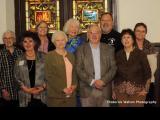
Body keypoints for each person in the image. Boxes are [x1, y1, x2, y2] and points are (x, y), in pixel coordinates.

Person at [76, 24, 117, 107]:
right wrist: (92, 82)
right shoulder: (80, 49)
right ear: (88, 35)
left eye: (97, 33)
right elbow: (78, 69)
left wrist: (103, 81)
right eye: (91, 33)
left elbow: (113, 68)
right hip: (87, 90)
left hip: (105, 89)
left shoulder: (109, 49)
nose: (94, 35)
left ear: (100, 34)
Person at [113, 29, 151, 107]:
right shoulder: (117, 54)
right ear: (121, 40)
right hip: (120, 90)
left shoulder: (141, 54)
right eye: (124, 37)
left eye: (128, 37)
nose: (126, 40)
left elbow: (148, 73)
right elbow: (114, 74)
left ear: (133, 40)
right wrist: (113, 90)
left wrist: (145, 90)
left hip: (138, 91)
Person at [14, 31, 46, 107]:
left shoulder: (44, 57)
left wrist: (42, 87)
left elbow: (50, 74)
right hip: (25, 96)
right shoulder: (19, 59)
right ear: (22, 44)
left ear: (35, 42)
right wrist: (25, 89)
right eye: (25, 42)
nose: (28, 44)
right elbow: (16, 77)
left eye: (30, 41)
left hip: (41, 95)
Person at [45, 31, 77, 107]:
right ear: (54, 42)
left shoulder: (71, 55)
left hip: (71, 96)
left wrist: (74, 85)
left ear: (66, 41)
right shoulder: (49, 56)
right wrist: (62, 89)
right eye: (57, 40)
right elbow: (48, 76)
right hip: (56, 97)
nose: (60, 42)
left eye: (62, 40)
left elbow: (74, 73)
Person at [134, 23, 156, 107]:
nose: (140, 33)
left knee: (149, 103)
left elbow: (153, 66)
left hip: (148, 80)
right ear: (134, 32)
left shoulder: (150, 46)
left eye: (143, 31)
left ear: (146, 33)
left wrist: (147, 81)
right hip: (134, 81)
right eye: (138, 31)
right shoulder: (129, 45)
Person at [0, 31, 23, 107]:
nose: (8, 40)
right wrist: (3, 90)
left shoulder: (21, 53)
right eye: (5, 38)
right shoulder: (0, 53)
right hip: (6, 91)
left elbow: (24, 71)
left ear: (14, 39)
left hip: (21, 91)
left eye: (10, 38)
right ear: (3, 40)